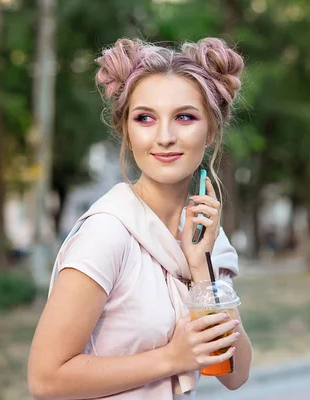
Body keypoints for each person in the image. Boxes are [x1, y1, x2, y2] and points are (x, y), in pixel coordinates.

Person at [27, 37, 253, 400]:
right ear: (126, 132)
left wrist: (200, 267)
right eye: (145, 118)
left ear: (210, 131)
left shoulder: (205, 236)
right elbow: (46, 380)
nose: (164, 137)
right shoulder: (107, 233)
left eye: (184, 117)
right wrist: (170, 358)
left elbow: (235, 373)